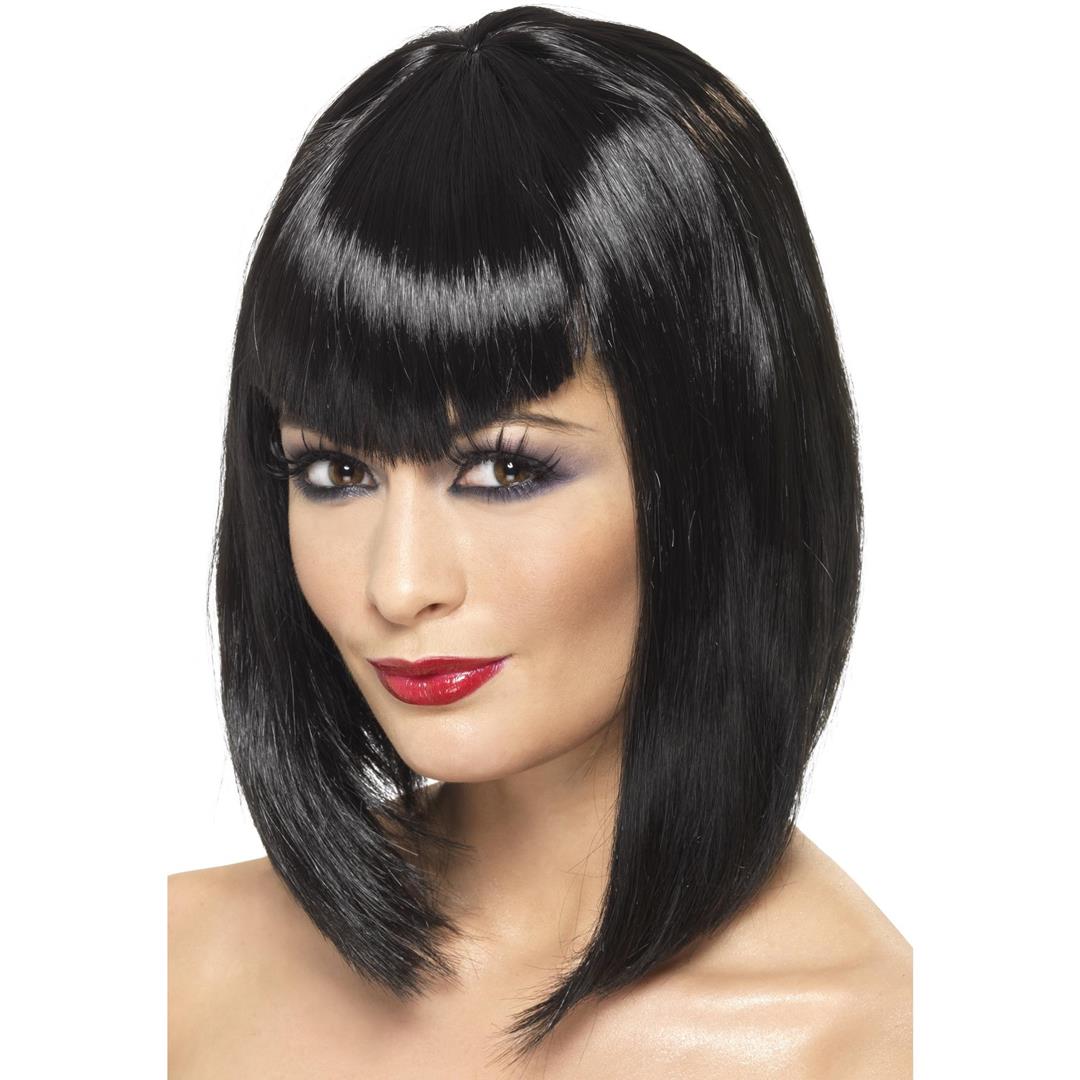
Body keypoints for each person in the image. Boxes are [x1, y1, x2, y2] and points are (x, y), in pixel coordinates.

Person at [168, 6, 912, 1076]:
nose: (399, 584)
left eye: (505, 471)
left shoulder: (881, 1041)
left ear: (713, 476)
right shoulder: (173, 969)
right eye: (336, 473)